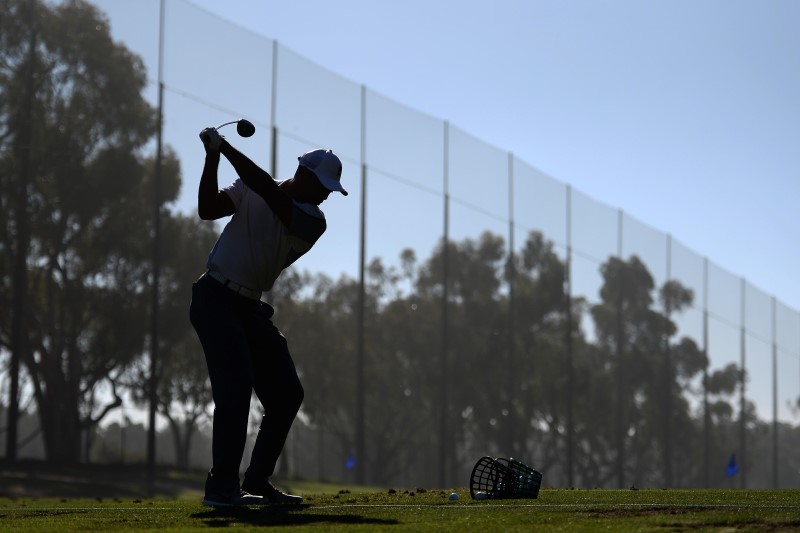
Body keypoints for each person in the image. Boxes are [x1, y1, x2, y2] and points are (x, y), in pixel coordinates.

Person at [190, 126, 347, 507]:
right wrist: (212, 157)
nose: (327, 194)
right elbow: (208, 209)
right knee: (236, 384)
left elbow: (268, 192)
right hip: (215, 297)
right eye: (323, 185)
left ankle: (257, 480)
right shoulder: (255, 188)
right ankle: (222, 486)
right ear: (305, 175)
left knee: (287, 392)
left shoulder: (312, 220)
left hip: (249, 307)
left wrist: (223, 146)